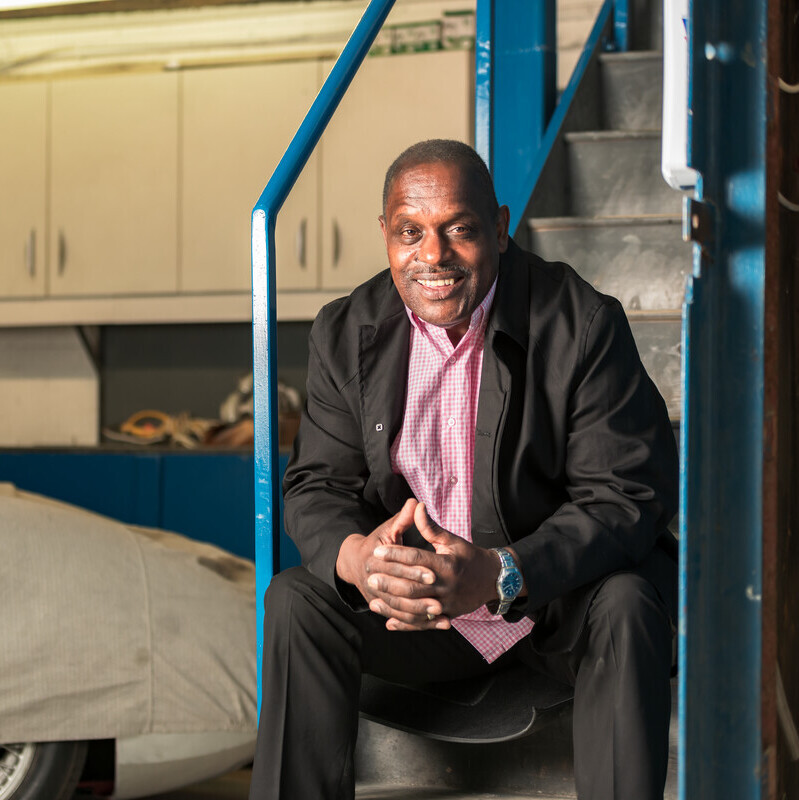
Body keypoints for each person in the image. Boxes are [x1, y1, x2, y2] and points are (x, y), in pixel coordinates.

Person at [248, 139, 679, 800]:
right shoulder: (344, 331)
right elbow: (317, 485)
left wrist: (500, 572)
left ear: (500, 229)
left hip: (551, 609)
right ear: (386, 237)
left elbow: (625, 496)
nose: (433, 256)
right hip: (418, 613)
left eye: (460, 230)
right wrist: (357, 558)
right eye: (409, 233)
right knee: (296, 601)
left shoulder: (581, 321)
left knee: (628, 602)